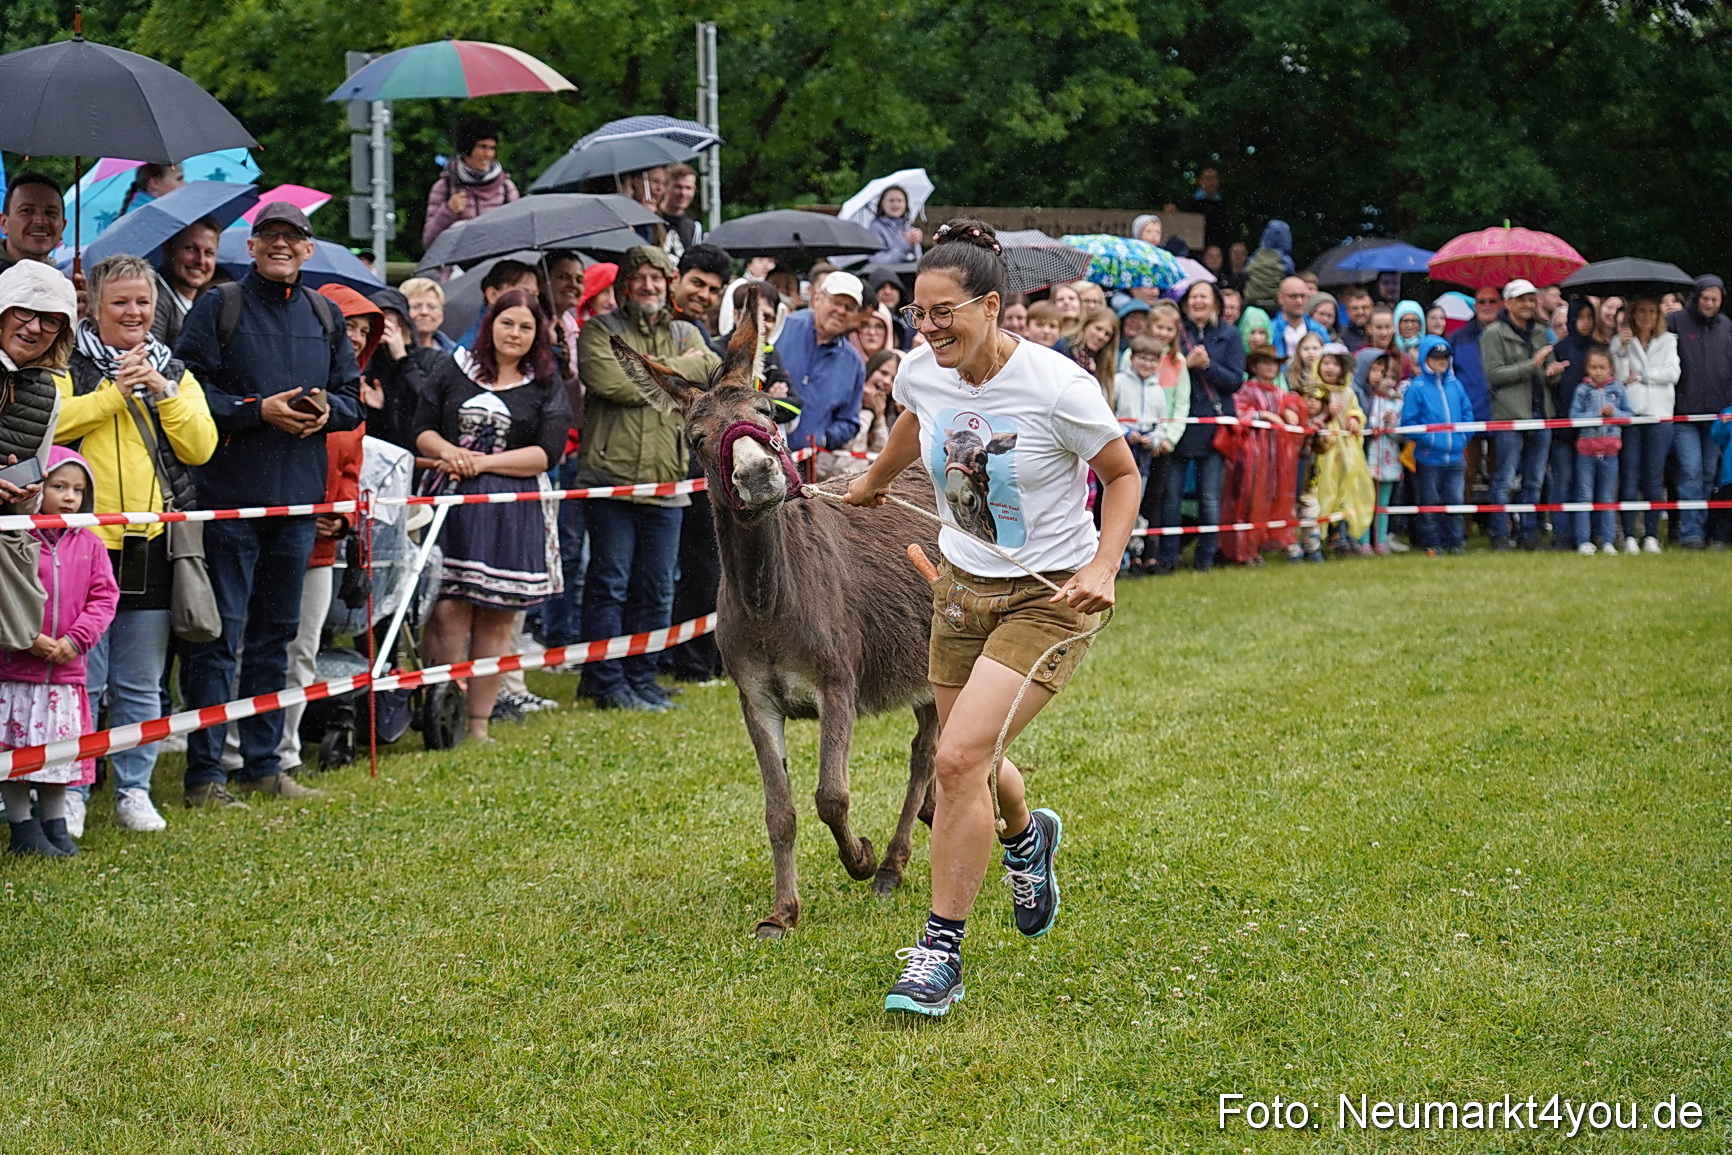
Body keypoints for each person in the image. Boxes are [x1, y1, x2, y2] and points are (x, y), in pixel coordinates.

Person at [842, 218, 1138, 1018]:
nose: (929, 327)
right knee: (968, 752)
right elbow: (915, 418)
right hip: (960, 586)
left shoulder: (1057, 386)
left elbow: (1122, 476)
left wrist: (1103, 566)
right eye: (918, 312)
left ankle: (940, 953)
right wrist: (873, 480)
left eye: (946, 312)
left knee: (956, 756)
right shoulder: (922, 370)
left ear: (994, 306)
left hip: (1050, 594)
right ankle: (1025, 832)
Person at [174, 202, 362, 808]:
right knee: (218, 636)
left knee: (275, 638)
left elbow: (353, 399)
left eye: (294, 237)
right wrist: (257, 411)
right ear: (251, 247)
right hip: (229, 498)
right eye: (270, 236)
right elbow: (188, 386)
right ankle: (204, 776)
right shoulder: (219, 304)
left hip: (297, 504)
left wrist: (328, 412)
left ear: (308, 250)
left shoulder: (326, 313)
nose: (282, 244)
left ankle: (263, 767)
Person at [57, 255, 218, 833]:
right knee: (82, 678)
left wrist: (162, 392)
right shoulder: (67, 363)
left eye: (142, 302)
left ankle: (134, 790)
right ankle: (71, 788)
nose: (133, 312)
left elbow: (201, 445)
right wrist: (113, 393)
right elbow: (50, 424)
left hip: (149, 542)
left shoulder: (171, 367)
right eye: (120, 302)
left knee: (140, 681)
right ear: (95, 308)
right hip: (81, 545)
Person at [414, 290, 569, 739]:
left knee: (497, 614)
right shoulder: (455, 369)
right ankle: (441, 717)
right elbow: (421, 428)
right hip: (452, 506)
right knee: (446, 610)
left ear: (537, 334)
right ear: (490, 324)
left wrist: (480, 463)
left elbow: (547, 452)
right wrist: (450, 452)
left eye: (526, 327)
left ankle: (479, 724)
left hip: (511, 511)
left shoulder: (545, 383)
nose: (515, 334)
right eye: (507, 323)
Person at [576, 245, 720, 711]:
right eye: (639, 277)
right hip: (611, 479)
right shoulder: (600, 330)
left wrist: (655, 373)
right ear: (623, 285)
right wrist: (682, 370)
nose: (649, 285)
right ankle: (605, 680)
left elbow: (710, 377)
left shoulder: (685, 330)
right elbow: (611, 384)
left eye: (657, 278)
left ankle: (643, 676)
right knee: (610, 583)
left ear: (668, 283)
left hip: (667, 480)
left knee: (656, 586)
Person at [0, 448, 117, 856]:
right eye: (59, 486)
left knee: (59, 757)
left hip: (66, 676)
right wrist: (27, 637)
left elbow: (104, 598)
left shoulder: (92, 545)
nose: (70, 496)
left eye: (78, 489)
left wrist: (76, 640)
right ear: (37, 488)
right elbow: (6, 597)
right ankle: (22, 829)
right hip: (16, 672)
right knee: (13, 757)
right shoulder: (13, 540)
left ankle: (55, 826)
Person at [1160, 281, 1242, 574]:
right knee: (1171, 496)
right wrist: (1186, 363)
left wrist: (1208, 366)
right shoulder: (1175, 331)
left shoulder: (1230, 335)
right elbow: (1162, 371)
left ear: (1215, 303)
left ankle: (1205, 559)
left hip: (1212, 427)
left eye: (1204, 297)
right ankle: (1167, 558)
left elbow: (1235, 381)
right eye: (1193, 297)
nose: (1198, 302)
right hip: (1178, 423)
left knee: (1209, 497)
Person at [1480, 279, 1565, 549]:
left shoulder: (1541, 332)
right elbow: (1494, 376)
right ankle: (1500, 534)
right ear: (1508, 303)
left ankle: (1529, 533)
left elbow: (1546, 370)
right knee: (1504, 478)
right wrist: (1532, 365)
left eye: (1531, 299)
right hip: (1509, 416)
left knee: (1535, 480)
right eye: (1522, 300)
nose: (1529, 304)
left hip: (1541, 414)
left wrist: (1553, 373)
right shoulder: (1493, 334)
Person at [1115, 312, 1187, 572]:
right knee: (1119, 500)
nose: (1146, 363)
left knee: (1139, 500)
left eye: (1152, 360)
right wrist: (1125, 432)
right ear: (1131, 358)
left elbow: (1162, 421)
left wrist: (1155, 438)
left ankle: (1135, 554)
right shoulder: (1119, 382)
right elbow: (1109, 414)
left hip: (1145, 452)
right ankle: (1118, 557)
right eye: (1142, 358)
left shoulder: (1158, 391)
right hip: (1123, 447)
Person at [1219, 346, 1303, 564]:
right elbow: (1238, 413)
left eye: (1274, 363)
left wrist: (1291, 410)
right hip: (1251, 455)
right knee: (1248, 501)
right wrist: (1264, 415)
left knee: (1269, 498)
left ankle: (1259, 546)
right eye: (1265, 363)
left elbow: (1293, 407)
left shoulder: (1279, 392)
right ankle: (1242, 552)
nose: (1270, 367)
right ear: (1255, 367)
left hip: (1275, 457)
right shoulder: (1246, 390)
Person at [1668, 275, 1732, 548]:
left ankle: (1705, 529)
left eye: (1714, 299)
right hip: (1684, 414)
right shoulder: (1676, 321)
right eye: (1705, 298)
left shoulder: (1726, 326)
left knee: (1709, 473)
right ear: (1696, 297)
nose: (1709, 303)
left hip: (1718, 416)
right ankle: (1690, 533)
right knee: (1690, 471)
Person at [1612, 297, 1679, 553]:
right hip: (1631, 415)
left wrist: (1643, 375)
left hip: (1659, 416)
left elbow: (1673, 373)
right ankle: (1629, 535)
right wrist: (1621, 350)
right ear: (1633, 314)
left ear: (1658, 315)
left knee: (1653, 477)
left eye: (1652, 311)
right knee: (1629, 476)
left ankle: (1650, 535)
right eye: (1641, 311)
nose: (1646, 316)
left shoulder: (1669, 340)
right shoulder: (1621, 341)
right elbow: (1619, 378)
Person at [780, 271, 869, 454]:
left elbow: (849, 421)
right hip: (755, 452)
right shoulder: (782, 329)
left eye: (849, 308)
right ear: (817, 298)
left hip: (803, 465)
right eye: (836, 302)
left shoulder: (853, 364)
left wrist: (824, 438)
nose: (841, 311)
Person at [1400, 337, 1474, 555]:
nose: (1441, 361)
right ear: (1425, 359)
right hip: (1428, 457)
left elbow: (1468, 414)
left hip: (1455, 457)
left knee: (1456, 501)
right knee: (1430, 502)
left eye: (1445, 357)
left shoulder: (1456, 384)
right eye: (1436, 357)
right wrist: (1430, 440)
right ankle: (1432, 543)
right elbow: (1409, 422)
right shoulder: (1417, 387)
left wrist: (1463, 437)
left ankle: (1456, 542)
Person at [1568, 345, 1632, 555]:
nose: (1597, 371)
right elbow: (1574, 418)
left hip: (1611, 451)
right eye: (1593, 367)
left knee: (1607, 497)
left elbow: (1629, 416)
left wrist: (1614, 413)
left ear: (1610, 369)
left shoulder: (1618, 389)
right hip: (1586, 450)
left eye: (1602, 367)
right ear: (1587, 368)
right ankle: (1584, 541)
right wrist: (1596, 414)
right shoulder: (1582, 390)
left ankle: (1607, 541)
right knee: (1584, 495)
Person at [1547, 299, 1600, 552]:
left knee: (1589, 483)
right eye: (1581, 317)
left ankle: (1590, 535)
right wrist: (1553, 376)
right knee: (1563, 480)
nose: (1586, 323)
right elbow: (1550, 388)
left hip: (1593, 432)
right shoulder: (1558, 349)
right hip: (1562, 429)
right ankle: (1561, 534)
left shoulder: (1599, 350)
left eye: (1591, 317)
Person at [422, 115, 520, 248]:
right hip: (457, 266)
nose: (488, 154)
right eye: (482, 147)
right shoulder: (444, 187)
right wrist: (448, 211)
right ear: (467, 147)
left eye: (492, 148)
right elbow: (428, 241)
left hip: (494, 265)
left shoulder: (506, 188)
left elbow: (519, 235)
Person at [149, 218, 221, 346]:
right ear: (167, 249)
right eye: (191, 248)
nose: (200, 260)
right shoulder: (152, 297)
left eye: (209, 253)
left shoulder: (203, 305)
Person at [1363, 354, 1406, 553]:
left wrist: (1391, 424)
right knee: (1365, 500)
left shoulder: (1398, 403)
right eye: (1383, 375)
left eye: (1391, 377)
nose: (1386, 380)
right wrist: (1378, 423)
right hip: (1370, 456)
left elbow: (1401, 435)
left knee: (1383, 504)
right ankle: (1363, 541)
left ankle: (1380, 540)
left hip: (1389, 457)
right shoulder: (1368, 398)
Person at [456, 259, 541, 350]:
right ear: (492, 294)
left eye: (534, 295)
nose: (530, 301)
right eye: (522, 293)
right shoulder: (470, 348)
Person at [0, 174, 66, 276]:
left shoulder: (65, 283)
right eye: (26, 211)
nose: (40, 222)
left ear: (63, 226)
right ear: (4, 223)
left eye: (50, 213)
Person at [670, 243, 732, 338]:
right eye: (697, 283)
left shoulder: (701, 335)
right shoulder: (646, 319)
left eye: (714, 290)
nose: (704, 295)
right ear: (675, 278)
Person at [1067, 306, 1119, 404]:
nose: (1101, 336)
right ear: (1085, 325)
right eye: (1098, 328)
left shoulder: (1101, 364)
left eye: (1107, 334)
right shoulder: (1064, 348)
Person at [1242, 220, 1295, 313]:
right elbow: (1291, 280)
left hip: (1252, 302)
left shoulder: (1255, 256)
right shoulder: (1286, 261)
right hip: (1274, 304)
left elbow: (1244, 274)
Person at [1271, 277, 1328, 359]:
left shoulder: (1319, 330)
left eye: (1303, 296)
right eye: (1293, 296)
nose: (1299, 301)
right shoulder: (1271, 330)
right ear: (1280, 298)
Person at [866, 186, 923, 265]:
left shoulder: (908, 227)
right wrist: (906, 243)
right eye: (891, 200)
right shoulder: (876, 228)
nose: (895, 204)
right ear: (882, 203)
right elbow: (878, 261)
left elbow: (918, 261)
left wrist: (914, 244)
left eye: (899, 201)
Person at [400, 276, 457, 355]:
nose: (424, 312)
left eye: (432, 307)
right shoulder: (388, 352)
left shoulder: (455, 353)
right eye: (416, 306)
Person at [658, 162, 704, 257]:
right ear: (665, 186)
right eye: (678, 187)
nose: (683, 193)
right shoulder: (651, 219)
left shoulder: (694, 228)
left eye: (688, 188)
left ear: (694, 190)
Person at [117, 163, 184, 217]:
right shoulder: (144, 217)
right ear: (155, 183)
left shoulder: (158, 211)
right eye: (179, 179)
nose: (184, 184)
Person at [1191, 167, 1229, 252]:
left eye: (1215, 178)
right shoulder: (1191, 204)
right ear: (1200, 181)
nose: (1212, 182)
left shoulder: (1223, 205)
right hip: (1196, 251)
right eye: (1208, 179)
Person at [1338, 286, 1373, 352]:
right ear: (1348, 312)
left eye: (1365, 307)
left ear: (1372, 309)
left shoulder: (1380, 332)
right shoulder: (1342, 337)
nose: (1360, 312)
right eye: (1355, 308)